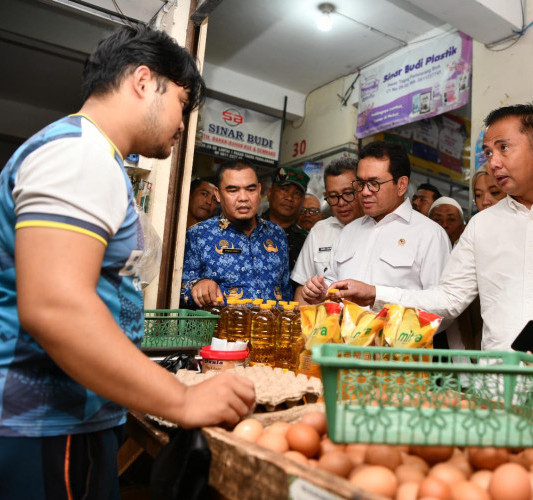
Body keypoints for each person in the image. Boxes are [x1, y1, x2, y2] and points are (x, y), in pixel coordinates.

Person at [0, 25, 255, 499]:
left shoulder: (94, 156)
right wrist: (181, 399)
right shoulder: (80, 153)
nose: (183, 124)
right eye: (181, 103)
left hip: (71, 420)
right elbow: (56, 306)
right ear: (143, 81)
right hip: (45, 428)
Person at [329, 105, 533, 350]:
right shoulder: (482, 225)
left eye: (503, 148)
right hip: (499, 378)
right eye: (489, 152)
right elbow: (449, 299)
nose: (493, 162)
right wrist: (375, 294)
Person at [301, 141, 451, 312]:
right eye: (360, 183)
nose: (365, 192)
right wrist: (322, 293)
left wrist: (376, 295)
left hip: (397, 338)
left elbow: (443, 304)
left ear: (401, 185)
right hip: (341, 338)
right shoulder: (349, 231)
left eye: (374, 183)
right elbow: (333, 282)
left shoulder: (429, 234)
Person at [181, 160, 292, 306]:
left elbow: (286, 292)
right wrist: (197, 285)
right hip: (222, 328)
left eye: (250, 189)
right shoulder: (198, 235)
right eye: (233, 190)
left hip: (270, 327)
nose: (243, 198)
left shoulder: (277, 235)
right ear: (218, 195)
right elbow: (178, 288)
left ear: (259, 190)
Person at [291, 158, 364, 294]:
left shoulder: (376, 228)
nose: (341, 203)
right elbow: (302, 287)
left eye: (348, 193)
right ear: (325, 196)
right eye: (333, 196)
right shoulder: (319, 231)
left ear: (361, 190)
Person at [261, 166, 310, 274]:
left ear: (302, 202)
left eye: (297, 193)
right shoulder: (250, 229)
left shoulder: (307, 240)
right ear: (270, 193)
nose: (289, 197)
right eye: (284, 189)